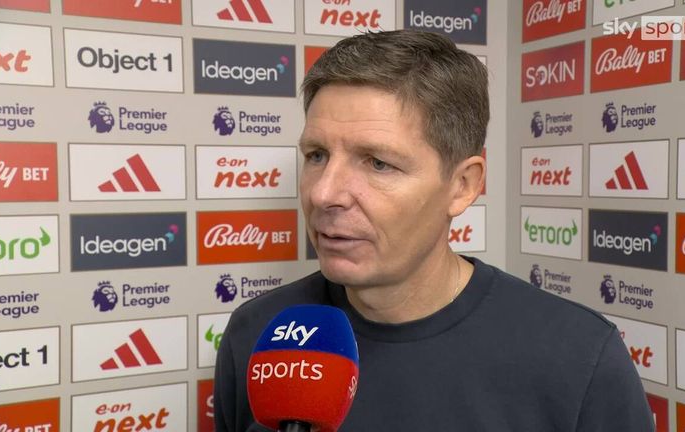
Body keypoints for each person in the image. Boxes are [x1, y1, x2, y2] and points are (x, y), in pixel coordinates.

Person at [214, 30, 654, 432]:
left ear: (462, 186)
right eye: (316, 155)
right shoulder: (258, 334)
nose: (324, 193)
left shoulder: (578, 357)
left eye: (378, 163)